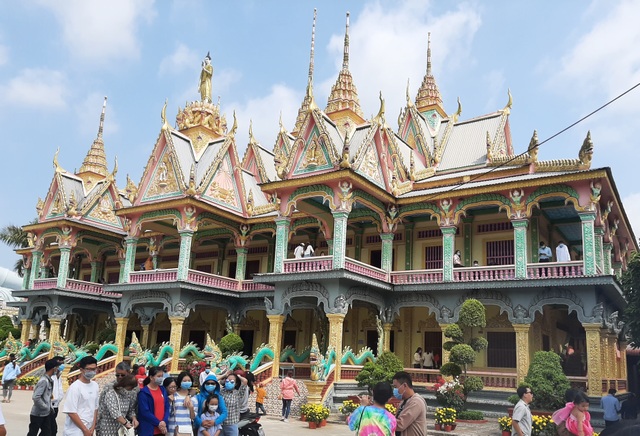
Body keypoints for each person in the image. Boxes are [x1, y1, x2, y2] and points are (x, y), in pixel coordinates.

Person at [63, 356, 100, 436]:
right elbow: (71, 411)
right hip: (75, 431)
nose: (92, 372)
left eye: (94, 369)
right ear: (81, 370)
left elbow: (95, 408)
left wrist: (92, 427)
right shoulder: (75, 387)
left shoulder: (95, 385)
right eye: (89, 369)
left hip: (89, 429)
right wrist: (84, 430)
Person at [27, 358, 59, 436]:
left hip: (46, 413)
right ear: (53, 368)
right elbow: (36, 397)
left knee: (49, 432)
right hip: (38, 413)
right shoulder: (44, 381)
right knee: (33, 433)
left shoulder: (49, 380)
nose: (58, 370)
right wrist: (45, 407)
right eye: (57, 367)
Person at [137, 366, 170, 436]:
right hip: (149, 430)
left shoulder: (163, 390)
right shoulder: (143, 393)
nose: (161, 378)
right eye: (158, 376)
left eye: (162, 376)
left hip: (162, 429)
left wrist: (164, 421)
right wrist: (158, 423)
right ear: (151, 377)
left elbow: (167, 407)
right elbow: (145, 412)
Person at [392, 371, 427, 436]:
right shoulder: (403, 401)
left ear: (404, 385)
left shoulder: (416, 402)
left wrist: (383, 419)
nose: (394, 390)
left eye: (396, 386)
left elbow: (401, 424)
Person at [219, 370, 248, 436]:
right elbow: (213, 380)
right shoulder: (221, 391)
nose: (229, 382)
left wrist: (238, 376)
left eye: (232, 381)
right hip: (220, 423)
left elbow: (245, 381)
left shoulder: (238, 393)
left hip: (231, 424)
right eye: (227, 381)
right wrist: (224, 375)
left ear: (236, 384)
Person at [51, 355, 66, 435]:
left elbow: (59, 390)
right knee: (52, 429)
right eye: (60, 364)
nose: (62, 366)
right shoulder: (49, 376)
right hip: (49, 406)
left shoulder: (58, 375)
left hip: (56, 405)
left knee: (50, 428)